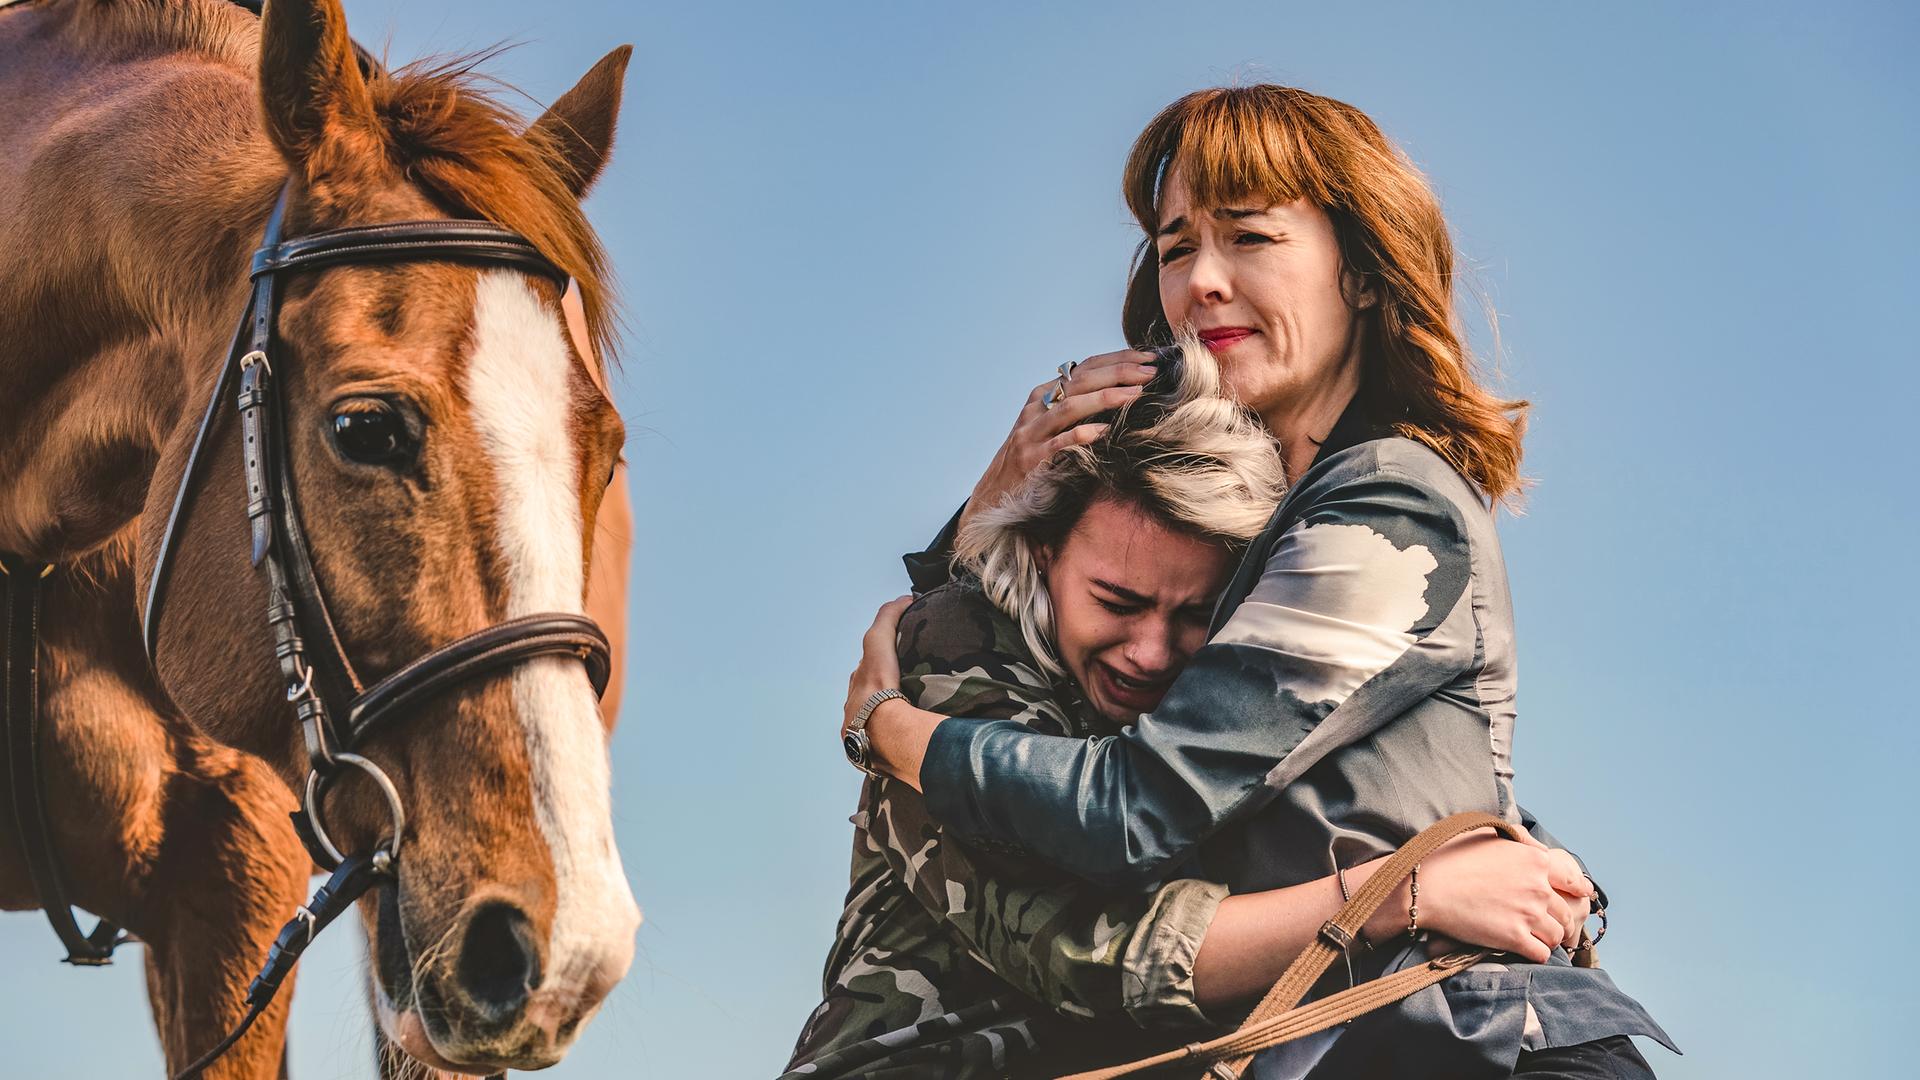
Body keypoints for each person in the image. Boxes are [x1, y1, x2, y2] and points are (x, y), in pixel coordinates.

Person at [842, 86, 1674, 1078]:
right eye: (1176, 245)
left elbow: (1135, 807)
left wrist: (885, 728)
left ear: (1361, 272)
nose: (1201, 282)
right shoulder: (1270, 525)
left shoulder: (1387, 506)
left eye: (1249, 238)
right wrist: (990, 513)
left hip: (1474, 1046)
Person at [789, 341, 1607, 1079]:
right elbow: (1084, 950)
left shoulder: (1199, 714)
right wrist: (1407, 893)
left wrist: (1518, 852)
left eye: (1193, 617)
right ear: (1046, 553)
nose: (1149, 652)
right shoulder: (948, 652)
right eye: (1116, 600)